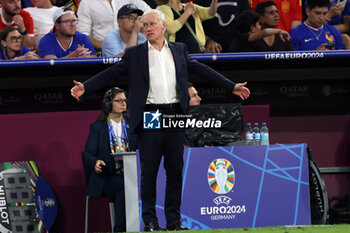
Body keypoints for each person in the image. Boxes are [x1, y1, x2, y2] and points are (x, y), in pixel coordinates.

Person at [71, 9, 250, 231]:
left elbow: (202, 70)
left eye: (151, 24)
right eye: (144, 25)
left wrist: (231, 86)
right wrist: (85, 87)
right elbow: (111, 74)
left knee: (175, 169)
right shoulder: (135, 53)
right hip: (151, 114)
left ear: (163, 26)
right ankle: (151, 221)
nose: (147, 28)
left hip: (175, 112)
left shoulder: (179, 49)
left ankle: (174, 222)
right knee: (150, 171)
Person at [82, 87, 137, 233]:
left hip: (131, 174)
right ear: (107, 104)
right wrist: (95, 162)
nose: (123, 104)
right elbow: (87, 154)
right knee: (124, 186)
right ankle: (121, 230)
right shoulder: (98, 127)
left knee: (135, 184)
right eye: (119, 101)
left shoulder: (132, 125)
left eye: (125, 100)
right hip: (106, 177)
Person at [77, 0, 151, 52]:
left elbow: (152, 15)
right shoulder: (86, 3)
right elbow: (83, 34)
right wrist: (107, 45)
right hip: (103, 51)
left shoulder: (133, 1)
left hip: (135, 46)